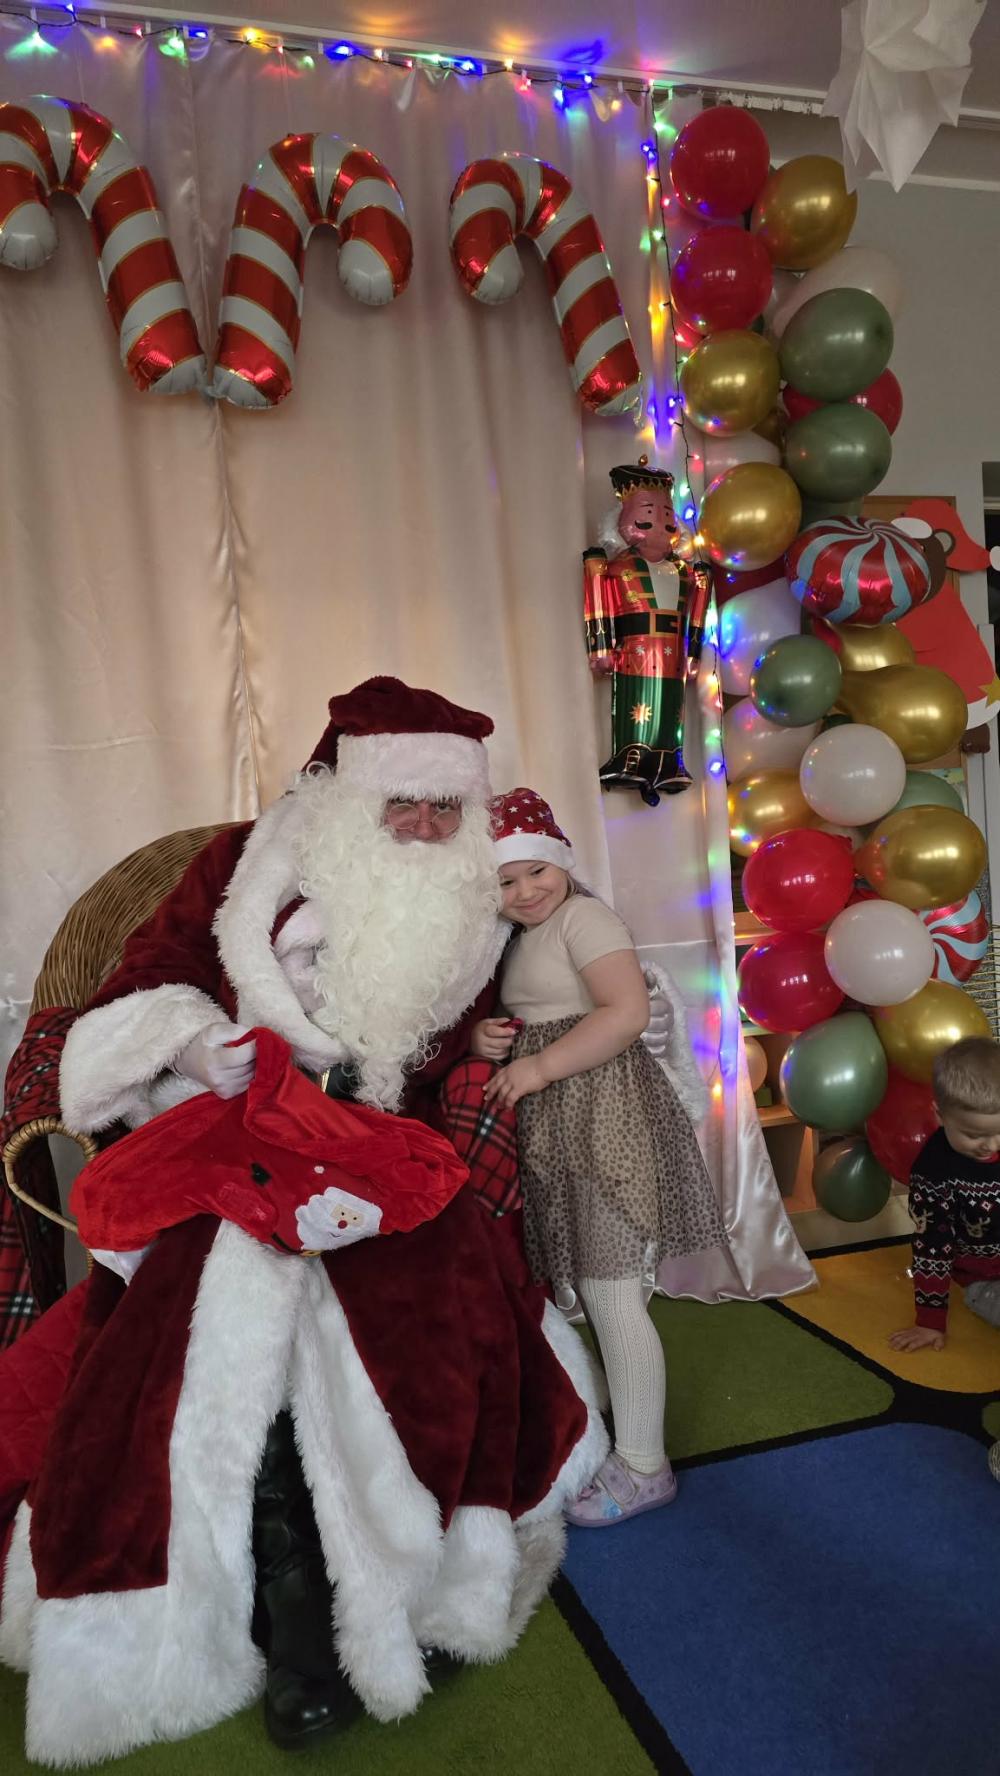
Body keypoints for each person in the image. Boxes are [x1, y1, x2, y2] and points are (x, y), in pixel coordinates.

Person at [0, 679, 607, 1767]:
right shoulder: (240, 866)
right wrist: (192, 1047)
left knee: (406, 1299)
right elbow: (145, 981)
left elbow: (498, 1014)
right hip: (225, 1132)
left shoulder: (472, 897)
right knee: (227, 1297)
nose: (423, 828)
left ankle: (387, 1573)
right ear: (344, 794)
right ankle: (294, 1608)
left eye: (444, 807)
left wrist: (495, 1053)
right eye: (400, 804)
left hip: (389, 1153)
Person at [476, 788, 727, 1528]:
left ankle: (646, 1466)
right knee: (590, 1286)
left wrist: (538, 1066)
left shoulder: (585, 917)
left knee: (612, 1291)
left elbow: (626, 1011)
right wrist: (490, 1039)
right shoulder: (518, 937)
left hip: (605, 1118)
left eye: (536, 871)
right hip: (561, 1124)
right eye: (506, 880)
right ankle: (618, 1414)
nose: (526, 890)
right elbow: (535, 1013)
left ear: (562, 860)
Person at [583, 456, 709, 806]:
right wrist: (600, 648)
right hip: (634, 647)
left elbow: (696, 612)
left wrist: (694, 651)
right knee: (635, 702)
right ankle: (631, 756)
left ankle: (670, 759)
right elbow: (601, 604)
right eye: (649, 511)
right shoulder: (614, 566)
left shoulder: (685, 570)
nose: (660, 521)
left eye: (667, 513)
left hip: (673, 650)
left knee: (670, 706)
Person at [889, 1036, 1000, 1356]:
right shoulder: (935, 1173)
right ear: (940, 1115)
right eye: (974, 1135)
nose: (990, 1145)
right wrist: (930, 1322)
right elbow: (933, 1248)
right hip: (984, 1280)